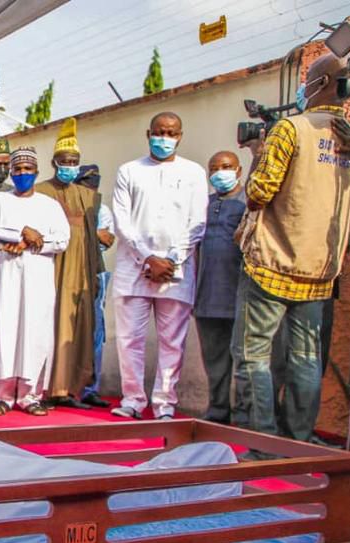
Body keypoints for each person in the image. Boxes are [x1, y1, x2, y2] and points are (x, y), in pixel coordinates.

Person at [232, 52, 350, 447]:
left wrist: (258, 156)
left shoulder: (291, 129)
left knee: (254, 355)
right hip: (320, 270)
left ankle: (265, 441)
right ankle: (300, 437)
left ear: (318, 85)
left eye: (306, 81)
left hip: (274, 263)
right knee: (305, 357)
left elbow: (258, 193)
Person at [110, 111, 207, 420]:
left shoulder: (193, 173)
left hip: (175, 274)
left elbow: (198, 223)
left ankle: (165, 404)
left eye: (171, 133)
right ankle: (133, 400)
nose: (165, 138)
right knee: (129, 341)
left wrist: (172, 259)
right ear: (148, 133)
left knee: (173, 343)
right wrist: (147, 258)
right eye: (159, 132)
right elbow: (122, 221)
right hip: (133, 269)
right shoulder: (129, 171)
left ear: (180, 136)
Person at [0, 147, 70, 417]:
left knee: (35, 332)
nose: (22, 174)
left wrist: (33, 242)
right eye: (17, 169)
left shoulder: (49, 205)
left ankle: (31, 395)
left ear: (36, 172)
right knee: (4, 330)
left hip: (39, 279)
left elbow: (62, 239)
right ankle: (3, 395)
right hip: (6, 276)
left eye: (27, 169)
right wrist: (19, 233)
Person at [37, 118, 101, 409]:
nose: (70, 165)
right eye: (64, 160)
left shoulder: (88, 196)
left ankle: (69, 389)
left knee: (78, 330)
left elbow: (93, 239)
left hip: (80, 276)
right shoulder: (40, 193)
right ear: (54, 161)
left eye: (74, 161)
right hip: (50, 273)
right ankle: (44, 388)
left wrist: (95, 275)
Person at [195, 151, 246, 424]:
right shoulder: (205, 204)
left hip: (240, 294)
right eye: (214, 168)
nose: (220, 173)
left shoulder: (249, 202)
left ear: (239, 170)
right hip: (207, 295)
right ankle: (218, 411)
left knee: (246, 361)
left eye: (226, 167)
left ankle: (246, 416)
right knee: (215, 361)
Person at [75, 164, 115, 408]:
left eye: (95, 182)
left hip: (95, 273)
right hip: (68, 273)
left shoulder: (103, 209)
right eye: (86, 182)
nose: (91, 186)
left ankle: (91, 387)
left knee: (95, 334)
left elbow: (105, 238)